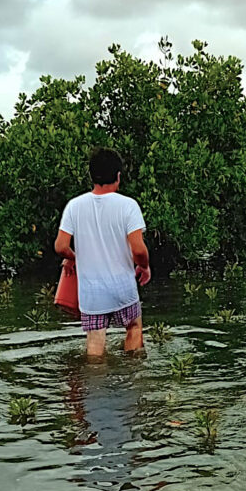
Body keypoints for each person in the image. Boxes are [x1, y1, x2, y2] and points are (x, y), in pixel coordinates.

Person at [54, 147, 150, 358]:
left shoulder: (74, 206)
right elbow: (138, 249)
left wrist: (76, 257)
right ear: (118, 176)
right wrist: (144, 266)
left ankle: (96, 386)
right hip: (123, 288)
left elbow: (60, 246)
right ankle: (132, 378)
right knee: (133, 328)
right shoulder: (128, 205)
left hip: (91, 295)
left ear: (92, 176)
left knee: (95, 344)